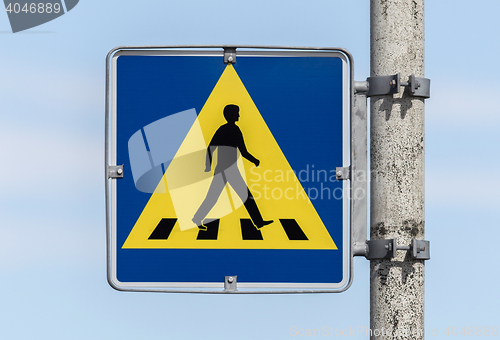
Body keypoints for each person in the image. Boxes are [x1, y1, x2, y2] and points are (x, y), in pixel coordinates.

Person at [192, 104, 273, 231]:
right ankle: (197, 218)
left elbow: (242, 151)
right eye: (237, 113)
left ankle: (259, 222)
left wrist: (254, 160)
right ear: (231, 114)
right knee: (218, 197)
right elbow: (211, 147)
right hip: (225, 170)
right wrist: (208, 166)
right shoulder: (227, 130)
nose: (239, 115)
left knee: (242, 196)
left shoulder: (232, 129)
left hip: (230, 169)